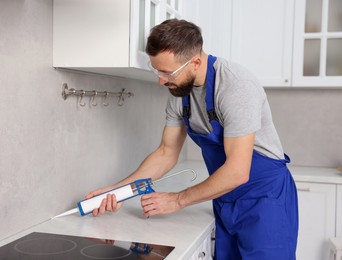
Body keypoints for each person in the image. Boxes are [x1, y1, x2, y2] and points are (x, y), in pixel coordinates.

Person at [86, 19, 298, 259]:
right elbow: (166, 153)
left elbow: (238, 171)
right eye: (157, 70)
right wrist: (122, 190)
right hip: (224, 197)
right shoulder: (179, 92)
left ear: (195, 62)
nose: (161, 80)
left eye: (167, 72)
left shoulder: (236, 86)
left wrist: (177, 200)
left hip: (265, 200)